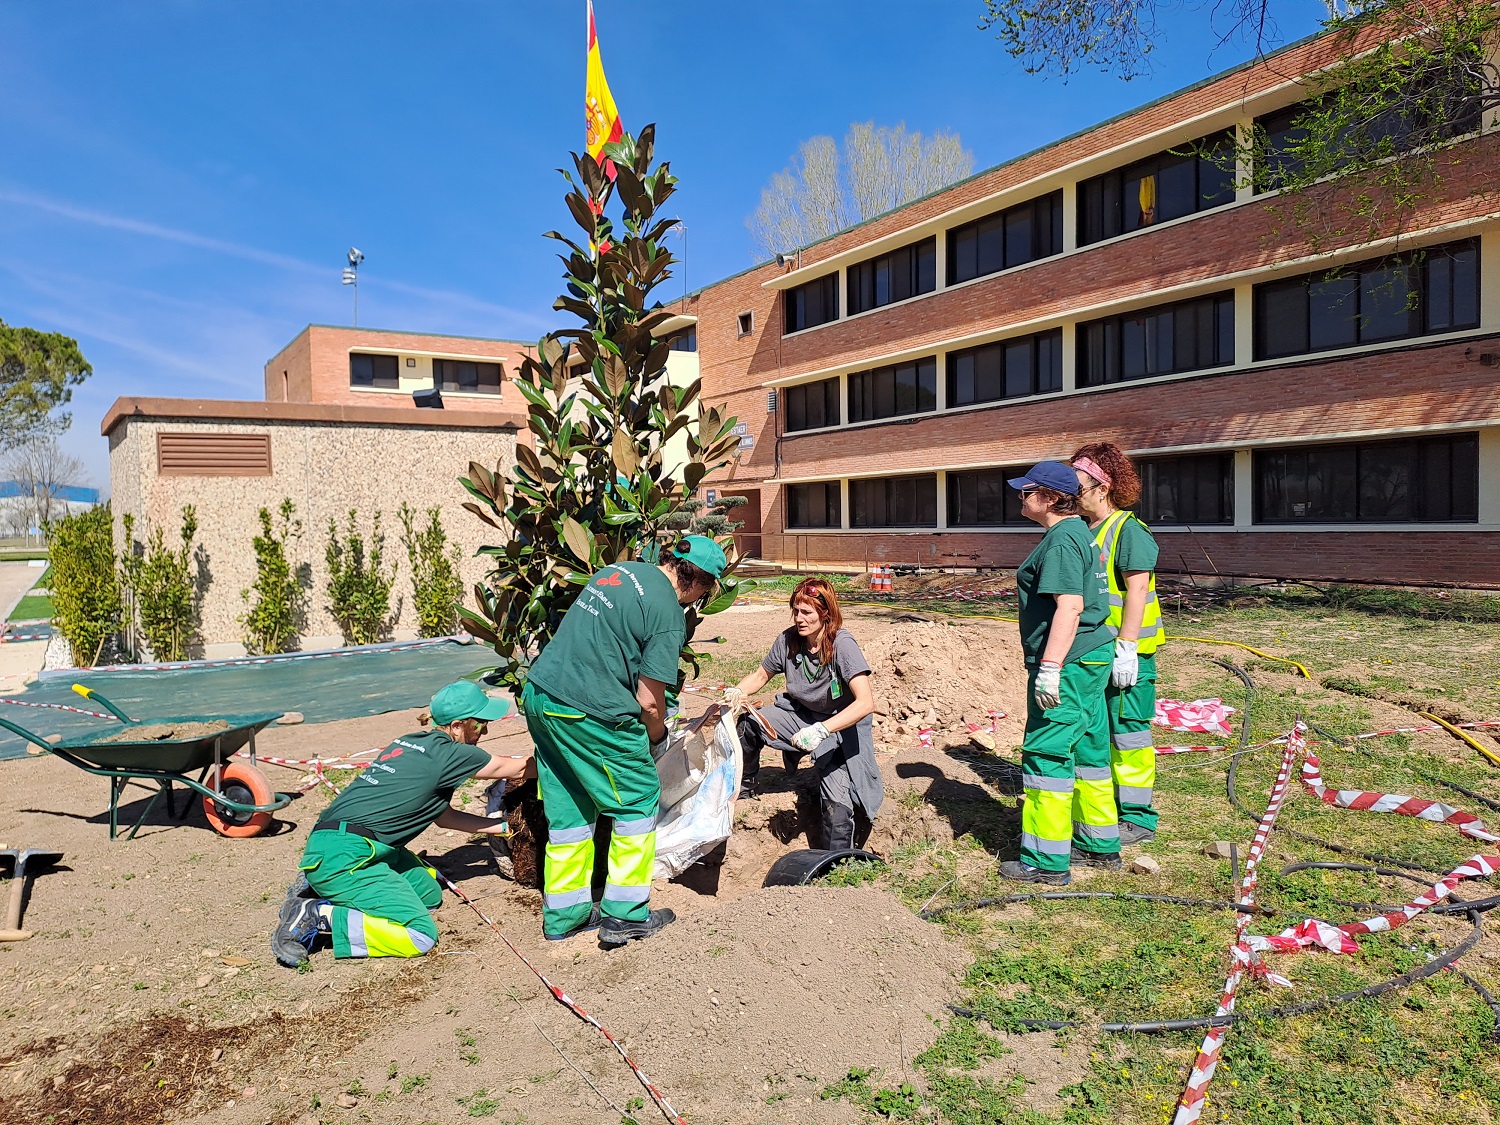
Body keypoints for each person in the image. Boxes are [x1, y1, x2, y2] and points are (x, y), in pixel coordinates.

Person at [522, 535, 726, 945]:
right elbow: (649, 703)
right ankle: (626, 914)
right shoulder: (668, 611)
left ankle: (565, 915)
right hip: (589, 711)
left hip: (541, 697)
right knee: (636, 799)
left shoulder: (618, 571)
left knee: (571, 809)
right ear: (700, 584)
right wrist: (655, 740)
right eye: (706, 591)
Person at [271, 680, 528, 968]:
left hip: (351, 844)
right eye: (480, 723)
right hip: (349, 856)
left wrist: (506, 828)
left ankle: (320, 883)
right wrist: (564, 759)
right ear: (457, 726)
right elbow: (517, 767)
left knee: (429, 895)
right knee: (419, 935)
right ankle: (316, 914)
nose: (485, 729)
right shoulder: (452, 754)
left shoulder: (414, 743)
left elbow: (444, 818)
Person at [998, 461, 1118, 886]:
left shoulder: (1063, 540)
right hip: (1091, 655)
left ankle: (1045, 860)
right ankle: (1099, 843)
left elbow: (1069, 606)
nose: (1020, 497)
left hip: (1069, 660)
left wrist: (1049, 668)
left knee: (1048, 749)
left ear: (1049, 497)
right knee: (1088, 747)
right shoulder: (1077, 534)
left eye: (1027, 491)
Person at [724, 577, 883, 851]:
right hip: (801, 715)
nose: (799, 618)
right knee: (750, 723)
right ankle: (746, 785)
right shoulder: (788, 640)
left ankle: (839, 860)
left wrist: (823, 730)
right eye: (796, 611)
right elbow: (762, 675)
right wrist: (737, 692)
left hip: (840, 727)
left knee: (838, 798)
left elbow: (865, 703)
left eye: (807, 612)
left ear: (826, 613)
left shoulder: (842, 645)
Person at [1073, 442, 1165, 846]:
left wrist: (1127, 646)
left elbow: (1137, 591)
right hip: (1095, 652)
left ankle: (1137, 817)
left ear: (1102, 486)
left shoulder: (1128, 531)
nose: (1070, 495)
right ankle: (1105, 806)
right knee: (1098, 733)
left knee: (1128, 735)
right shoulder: (1082, 530)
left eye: (1077, 487)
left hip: (1129, 654)